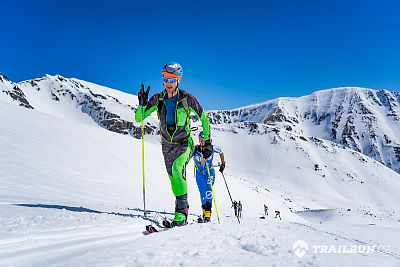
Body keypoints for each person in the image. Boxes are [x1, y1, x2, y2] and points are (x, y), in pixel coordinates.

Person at [135, 62, 212, 227]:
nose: (168, 82)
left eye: (171, 79)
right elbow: (139, 118)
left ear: (179, 80)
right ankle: (183, 205)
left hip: (185, 143)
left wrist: (207, 143)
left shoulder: (187, 99)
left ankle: (181, 212)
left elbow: (204, 119)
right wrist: (141, 105)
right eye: (165, 78)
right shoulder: (158, 99)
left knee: (178, 169)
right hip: (166, 146)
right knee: (174, 179)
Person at [192, 131, 225, 222]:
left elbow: (221, 151)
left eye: (204, 140)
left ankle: (208, 213)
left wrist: (223, 163)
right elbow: (187, 156)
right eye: (201, 139)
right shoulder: (195, 149)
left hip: (209, 172)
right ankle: (204, 210)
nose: (202, 141)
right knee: (202, 193)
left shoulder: (212, 148)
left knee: (208, 190)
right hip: (199, 174)